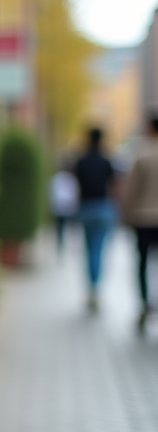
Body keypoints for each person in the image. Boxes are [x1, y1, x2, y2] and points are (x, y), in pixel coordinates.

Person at [74, 127, 119, 311]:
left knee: (88, 250)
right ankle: (95, 289)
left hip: (86, 208)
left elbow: (76, 184)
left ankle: (91, 289)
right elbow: (114, 186)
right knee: (98, 250)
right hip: (102, 208)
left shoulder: (81, 161)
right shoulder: (107, 161)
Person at [122, 113, 158, 332]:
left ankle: (145, 305)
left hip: (143, 218)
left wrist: (126, 216)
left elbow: (131, 191)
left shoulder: (141, 154)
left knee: (143, 263)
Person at [48, 166, 79, 255]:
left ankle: (61, 243)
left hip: (59, 206)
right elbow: (74, 192)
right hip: (67, 206)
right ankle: (66, 244)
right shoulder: (70, 178)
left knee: (60, 227)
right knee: (68, 226)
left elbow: (51, 192)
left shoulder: (56, 178)